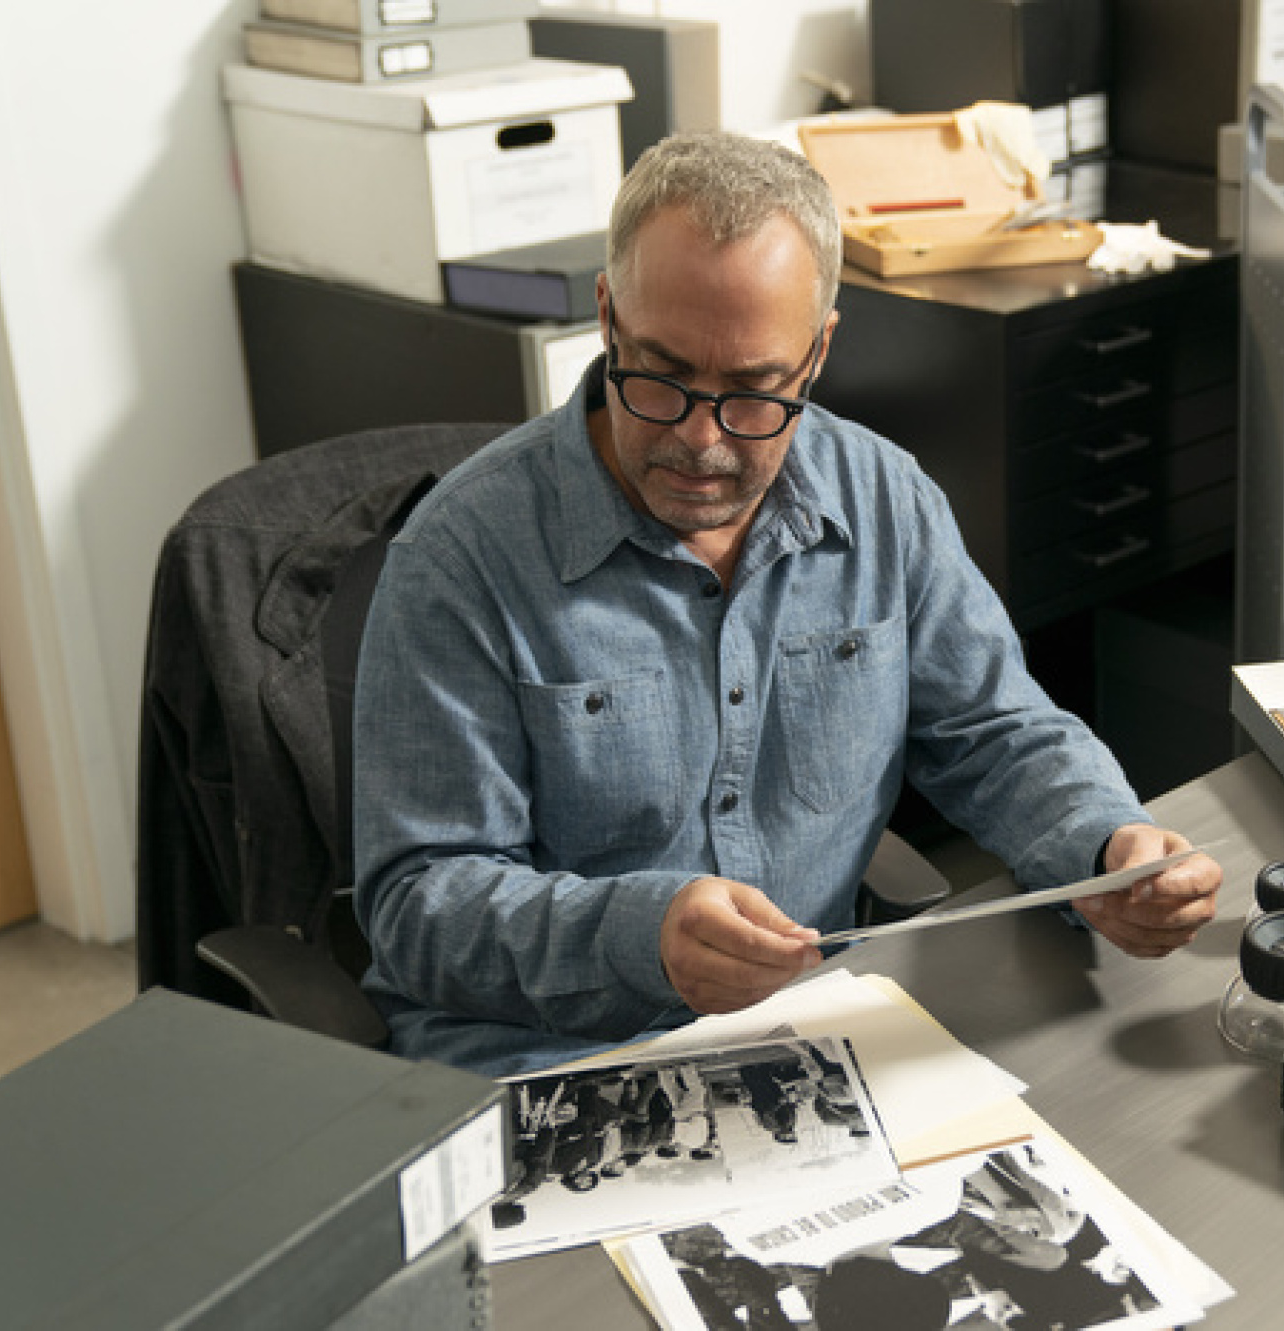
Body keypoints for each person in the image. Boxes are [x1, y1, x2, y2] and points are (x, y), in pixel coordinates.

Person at [351, 130, 1222, 1076]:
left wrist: (1106, 842)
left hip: (803, 1040)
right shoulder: (459, 556)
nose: (700, 441)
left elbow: (995, 731)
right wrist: (639, 935)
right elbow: (420, 905)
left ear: (816, 355)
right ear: (607, 319)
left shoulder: (883, 499)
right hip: (547, 1055)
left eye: (753, 392)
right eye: (662, 376)